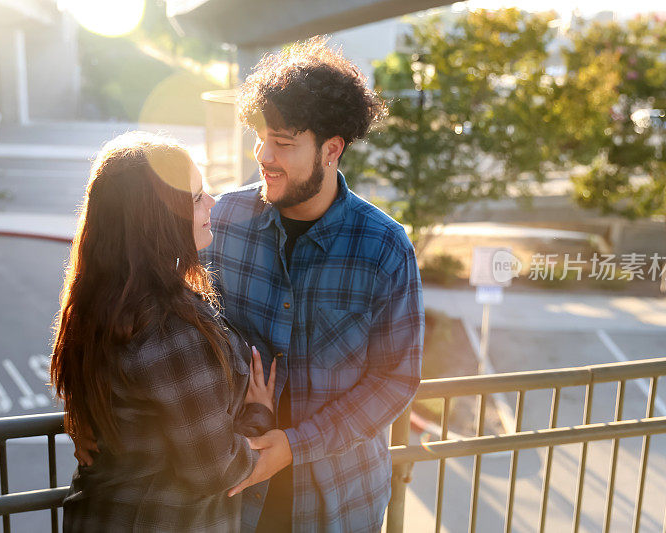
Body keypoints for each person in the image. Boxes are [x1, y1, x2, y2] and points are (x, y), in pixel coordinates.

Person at [201, 37, 425, 532]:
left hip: (338, 505)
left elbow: (395, 380)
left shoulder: (385, 247)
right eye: (260, 137)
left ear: (332, 149)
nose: (264, 155)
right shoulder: (223, 222)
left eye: (283, 143)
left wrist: (297, 446)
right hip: (234, 499)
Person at [51, 131, 277, 532]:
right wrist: (259, 414)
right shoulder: (170, 331)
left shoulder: (101, 301)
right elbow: (217, 470)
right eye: (194, 198)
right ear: (155, 221)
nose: (211, 204)